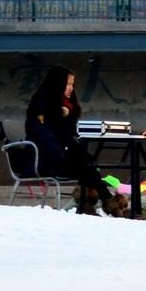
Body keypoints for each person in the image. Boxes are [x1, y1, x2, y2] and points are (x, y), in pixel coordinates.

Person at [23, 67, 92, 209]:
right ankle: (104, 204)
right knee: (87, 169)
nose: (71, 88)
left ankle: (98, 203)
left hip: (59, 157)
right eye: (68, 84)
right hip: (45, 161)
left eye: (73, 84)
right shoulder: (41, 106)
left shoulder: (67, 108)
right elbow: (46, 137)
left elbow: (70, 137)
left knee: (88, 168)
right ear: (57, 84)